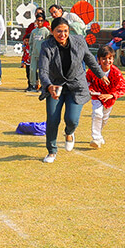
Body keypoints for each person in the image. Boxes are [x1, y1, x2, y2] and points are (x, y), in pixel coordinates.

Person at [38, 16, 108, 163]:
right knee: (52, 119)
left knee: (72, 120)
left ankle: (69, 133)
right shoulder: (46, 46)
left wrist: (100, 74)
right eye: (58, 31)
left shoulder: (79, 41)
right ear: (52, 31)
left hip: (76, 86)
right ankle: (51, 151)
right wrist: (49, 86)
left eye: (65, 31)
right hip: (55, 87)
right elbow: (43, 70)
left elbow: (89, 59)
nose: (62, 34)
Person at [86, 46, 125, 149]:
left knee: (104, 118)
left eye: (110, 58)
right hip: (97, 96)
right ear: (98, 60)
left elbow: (123, 88)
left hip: (109, 100)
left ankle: (99, 134)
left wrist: (111, 95)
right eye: (104, 58)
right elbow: (87, 81)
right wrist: (90, 90)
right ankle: (96, 138)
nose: (107, 61)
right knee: (97, 114)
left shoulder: (116, 72)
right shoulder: (93, 70)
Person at [27, 14, 51, 92]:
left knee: (42, 70)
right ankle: (33, 85)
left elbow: (48, 42)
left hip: (42, 55)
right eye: (38, 20)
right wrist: (30, 53)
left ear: (44, 21)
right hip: (34, 54)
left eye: (41, 20)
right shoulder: (34, 31)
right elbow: (31, 43)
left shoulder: (45, 31)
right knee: (32, 70)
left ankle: (42, 85)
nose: (39, 22)